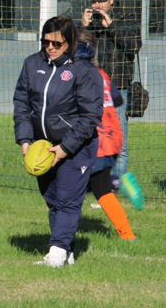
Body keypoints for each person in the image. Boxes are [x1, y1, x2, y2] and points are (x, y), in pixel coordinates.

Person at [13, 15, 103, 267]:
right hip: (41, 146)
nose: (50, 48)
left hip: (76, 147)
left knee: (67, 199)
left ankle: (56, 254)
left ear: (70, 42)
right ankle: (67, 248)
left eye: (57, 43)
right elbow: (21, 103)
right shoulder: (32, 64)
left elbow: (90, 116)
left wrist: (64, 148)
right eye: (45, 42)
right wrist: (25, 139)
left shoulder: (84, 72)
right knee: (52, 199)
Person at [76, 29, 136, 241]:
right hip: (112, 138)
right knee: (91, 185)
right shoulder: (101, 74)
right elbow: (118, 99)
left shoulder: (77, 74)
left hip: (96, 141)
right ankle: (118, 181)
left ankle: (126, 233)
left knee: (95, 190)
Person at [80, 0, 142, 182]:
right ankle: (93, 184)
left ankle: (112, 190)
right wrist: (83, 27)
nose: (98, 5)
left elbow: (135, 45)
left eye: (102, 1)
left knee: (118, 143)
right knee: (91, 139)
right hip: (92, 90)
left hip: (118, 90)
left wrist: (112, 27)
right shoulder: (91, 23)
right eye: (94, 1)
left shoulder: (127, 18)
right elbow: (75, 51)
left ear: (111, 0)